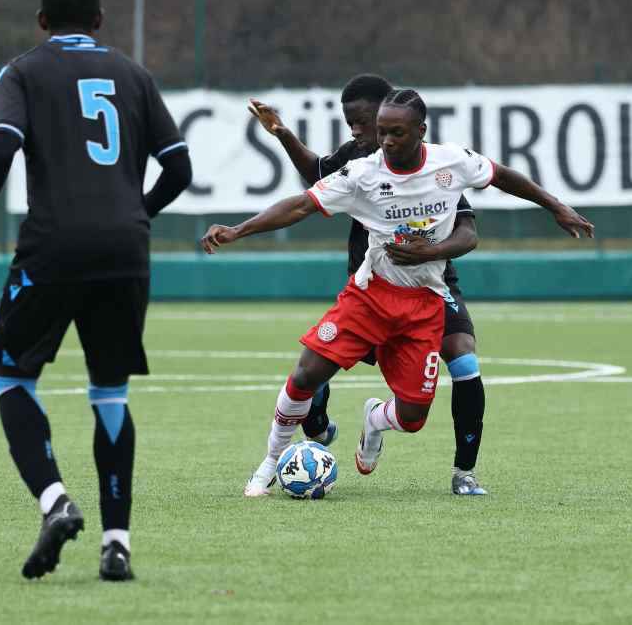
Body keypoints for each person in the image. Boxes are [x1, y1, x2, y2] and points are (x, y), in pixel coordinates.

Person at [201, 88, 594, 498]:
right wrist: (239, 230)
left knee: (412, 418)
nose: (387, 141)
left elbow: (502, 176)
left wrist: (555, 206)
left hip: (425, 304)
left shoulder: (451, 163)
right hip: (371, 295)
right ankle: (267, 465)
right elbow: (301, 205)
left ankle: (375, 418)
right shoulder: (364, 173)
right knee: (306, 374)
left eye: (397, 133)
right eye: (382, 132)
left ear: (420, 131)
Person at [0, 0, 191, 580]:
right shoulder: (133, 75)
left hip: (52, 247)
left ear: (41, 21)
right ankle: (117, 546)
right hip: (125, 253)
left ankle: (56, 501)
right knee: (109, 391)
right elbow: (180, 166)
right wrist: (137, 214)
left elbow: (1, 150)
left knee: (12, 377)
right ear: (100, 21)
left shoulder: (23, 71)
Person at [248, 74, 487, 495]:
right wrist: (283, 134)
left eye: (363, 123)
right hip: (371, 288)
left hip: (432, 287)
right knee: (312, 372)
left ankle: (463, 473)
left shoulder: (437, 168)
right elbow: (312, 180)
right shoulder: (357, 160)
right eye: (355, 125)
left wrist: (429, 253)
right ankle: (310, 432)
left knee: (463, 359)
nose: (358, 133)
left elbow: (467, 231)